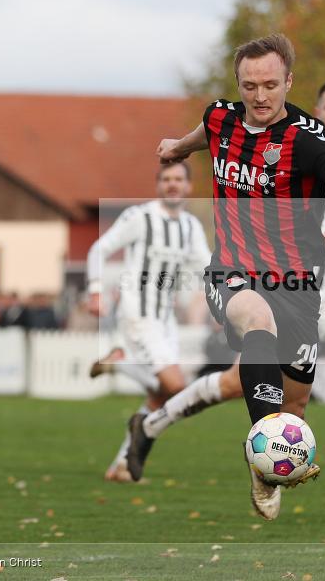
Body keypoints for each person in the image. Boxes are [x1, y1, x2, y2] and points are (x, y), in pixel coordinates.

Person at [128, 80, 325, 513]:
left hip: (324, 290)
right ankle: (152, 424)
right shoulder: (291, 144)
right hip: (271, 284)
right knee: (237, 382)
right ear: (311, 110)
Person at [87, 161, 211, 482]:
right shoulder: (140, 217)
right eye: (166, 179)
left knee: (161, 396)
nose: (172, 185)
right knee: (177, 387)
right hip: (137, 313)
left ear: (188, 187)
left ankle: (122, 466)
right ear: (158, 185)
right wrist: (96, 291)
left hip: (164, 319)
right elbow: (99, 249)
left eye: (178, 180)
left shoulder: (190, 227)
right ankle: (121, 361)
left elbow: (209, 268)